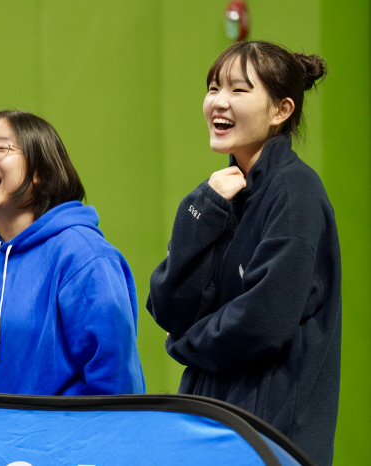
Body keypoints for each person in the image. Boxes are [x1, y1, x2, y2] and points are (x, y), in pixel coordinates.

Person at [146, 41, 341, 465]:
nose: (218, 101)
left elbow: (262, 323)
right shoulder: (221, 194)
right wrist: (201, 209)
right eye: (214, 87)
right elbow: (167, 306)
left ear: (280, 110)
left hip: (264, 440)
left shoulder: (295, 192)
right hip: (209, 429)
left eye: (238, 90)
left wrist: (183, 343)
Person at [0, 110, 145, 396]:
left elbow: (116, 380)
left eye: (2, 147)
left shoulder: (84, 257)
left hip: (61, 440)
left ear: (40, 173)